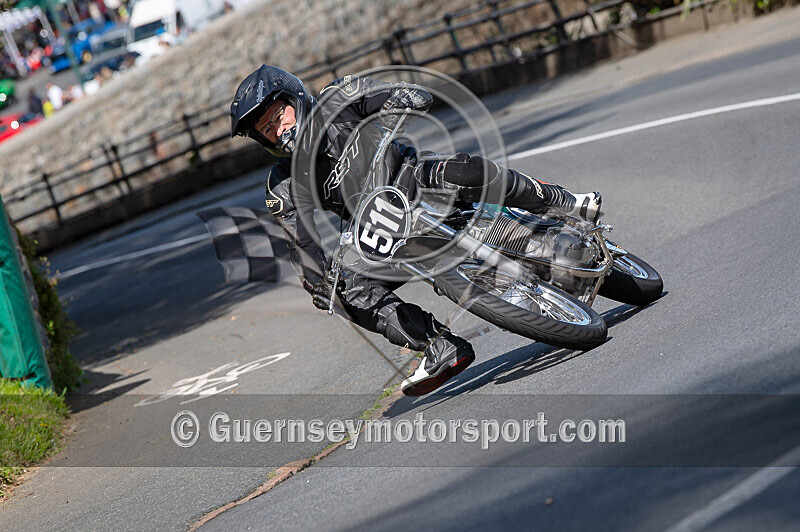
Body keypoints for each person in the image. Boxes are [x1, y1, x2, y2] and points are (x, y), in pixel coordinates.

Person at [230, 65, 602, 396]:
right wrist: (317, 280)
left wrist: (402, 95)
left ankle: (563, 201)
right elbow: (301, 240)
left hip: (410, 176)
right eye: (267, 130)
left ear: (294, 97)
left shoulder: (336, 101)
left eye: (279, 116)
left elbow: (377, 95)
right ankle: (438, 346)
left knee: (464, 170)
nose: (279, 130)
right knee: (349, 292)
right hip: (374, 225)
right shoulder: (282, 184)